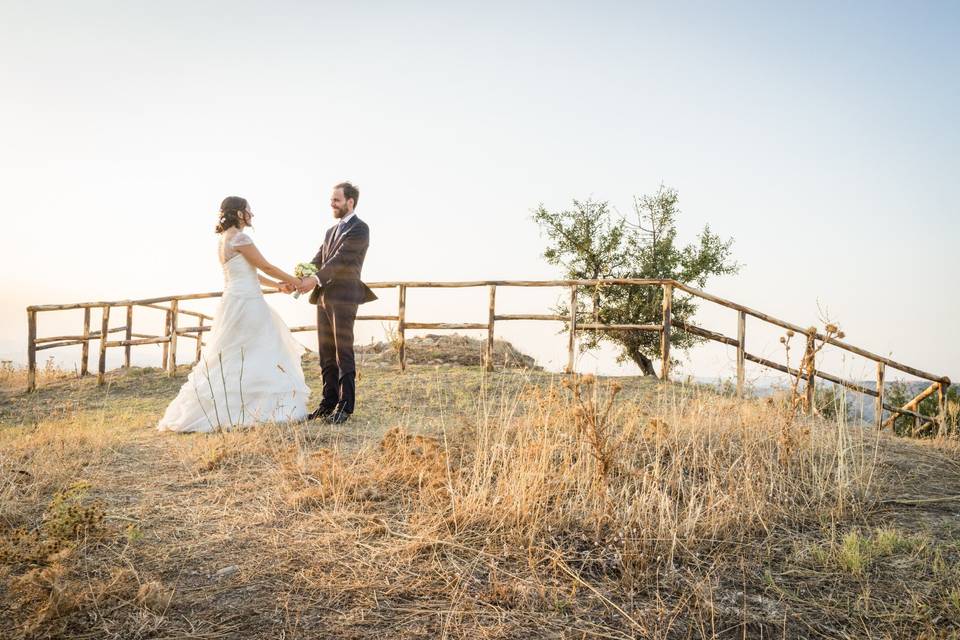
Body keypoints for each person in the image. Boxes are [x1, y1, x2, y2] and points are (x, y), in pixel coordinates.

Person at [157, 196, 309, 432]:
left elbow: (252, 273)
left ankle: (237, 406)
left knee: (234, 353)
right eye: (249, 211)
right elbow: (265, 266)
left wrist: (278, 286)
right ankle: (255, 409)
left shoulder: (224, 240)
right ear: (240, 214)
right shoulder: (241, 238)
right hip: (248, 302)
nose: (252, 215)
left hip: (234, 300)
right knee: (260, 348)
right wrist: (297, 281)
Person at [295, 181, 377, 425]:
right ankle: (327, 402)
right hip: (323, 297)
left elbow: (341, 260)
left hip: (344, 296)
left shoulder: (360, 229)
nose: (332, 203)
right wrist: (302, 277)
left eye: (336, 200)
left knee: (343, 351)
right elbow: (320, 258)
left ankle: (345, 406)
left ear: (350, 202)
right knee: (326, 352)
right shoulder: (331, 231)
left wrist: (316, 278)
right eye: (332, 199)